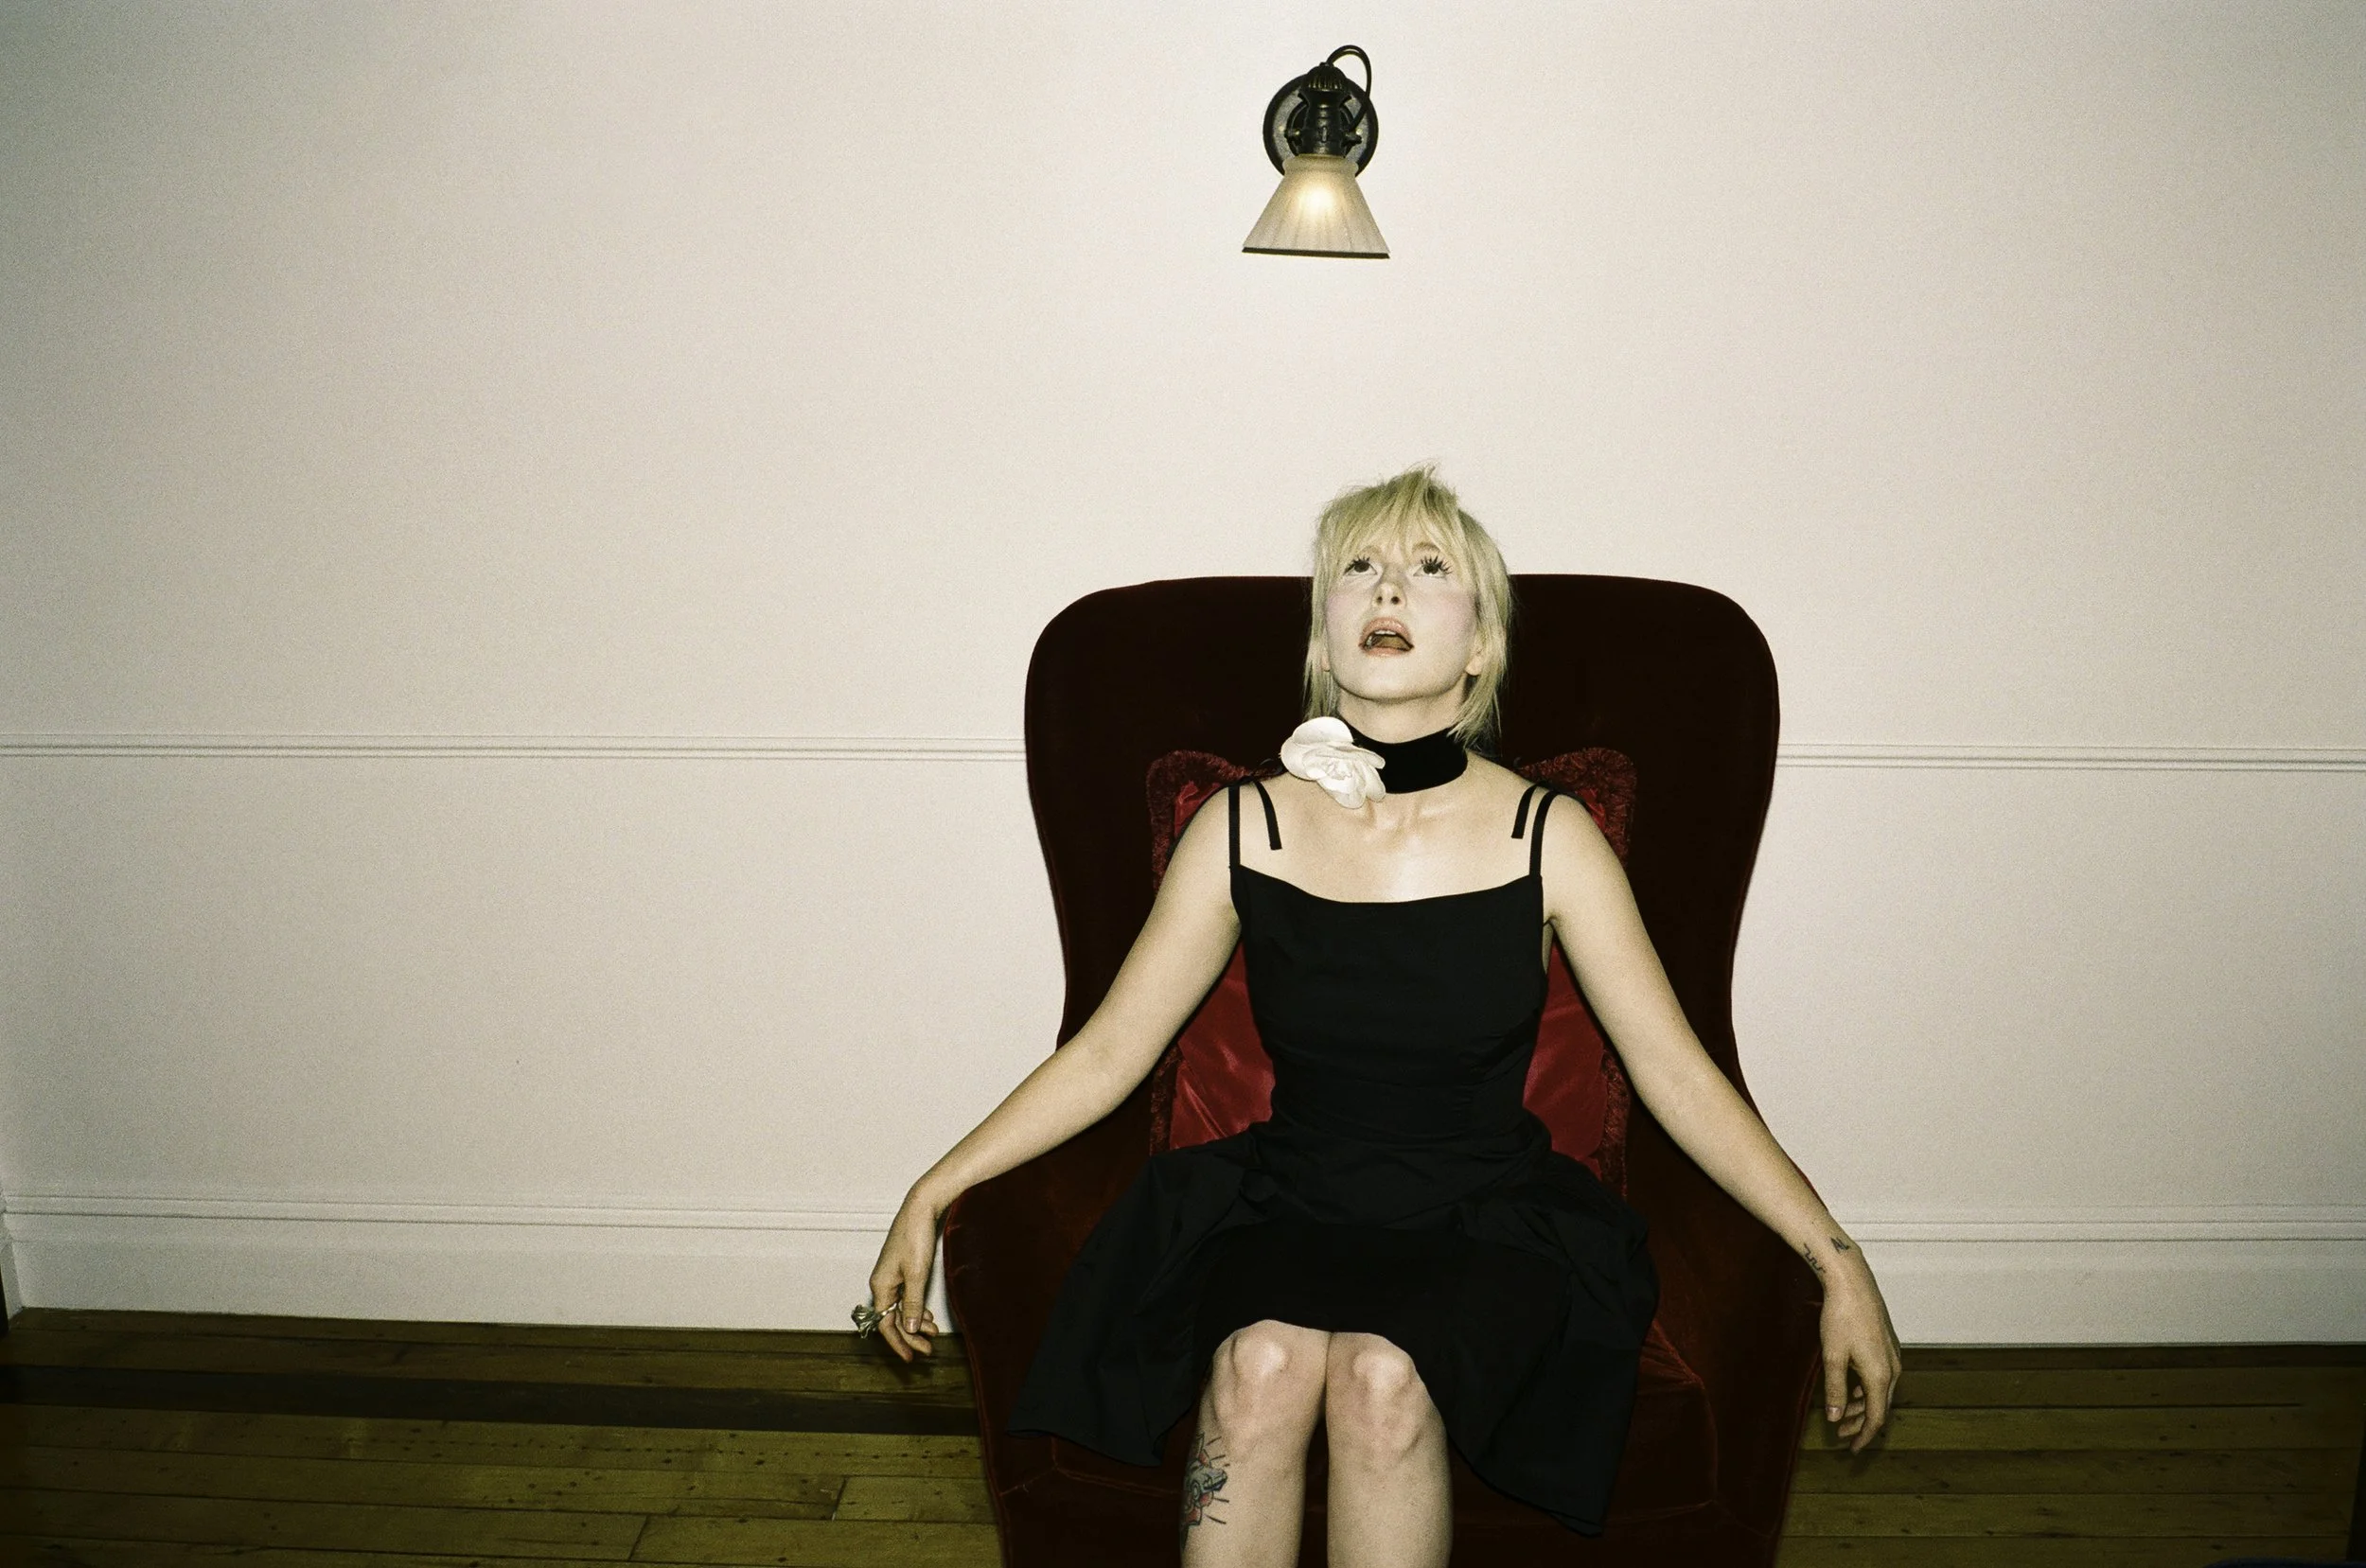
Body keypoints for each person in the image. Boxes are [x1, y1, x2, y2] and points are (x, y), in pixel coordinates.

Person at [863, 467, 1902, 1566]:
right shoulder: (1244, 824)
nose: (1386, 587)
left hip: (1482, 1214)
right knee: (1256, 1367)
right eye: (1357, 567)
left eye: (1427, 566)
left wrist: (1835, 1258)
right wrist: (932, 1190)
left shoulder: (1547, 835)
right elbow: (1111, 1049)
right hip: (1291, 1195)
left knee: (1381, 1376)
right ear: (1326, 636)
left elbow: (1677, 1071)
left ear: (1481, 644)